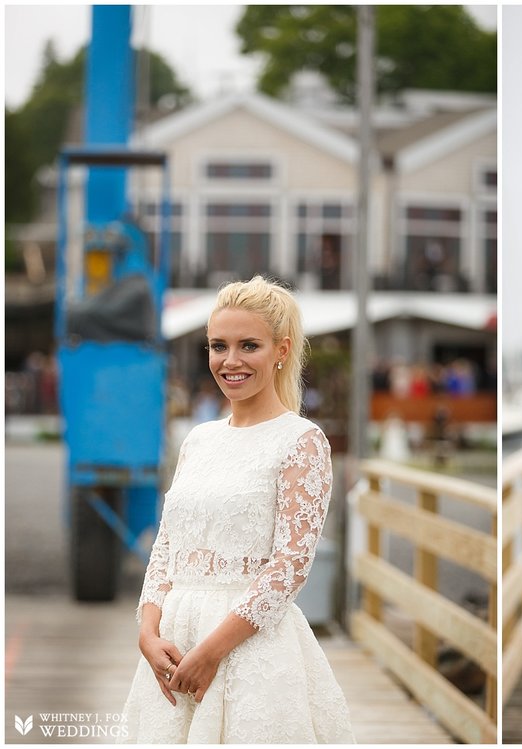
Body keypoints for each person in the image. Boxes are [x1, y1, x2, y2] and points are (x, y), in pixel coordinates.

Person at [119, 276, 355, 743]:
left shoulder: (301, 442)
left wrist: (211, 652)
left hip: (246, 650)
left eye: (249, 345)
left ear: (281, 350)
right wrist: (147, 631)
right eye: (217, 346)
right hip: (172, 644)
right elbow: (166, 545)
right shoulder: (198, 440)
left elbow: (288, 567)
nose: (230, 361)